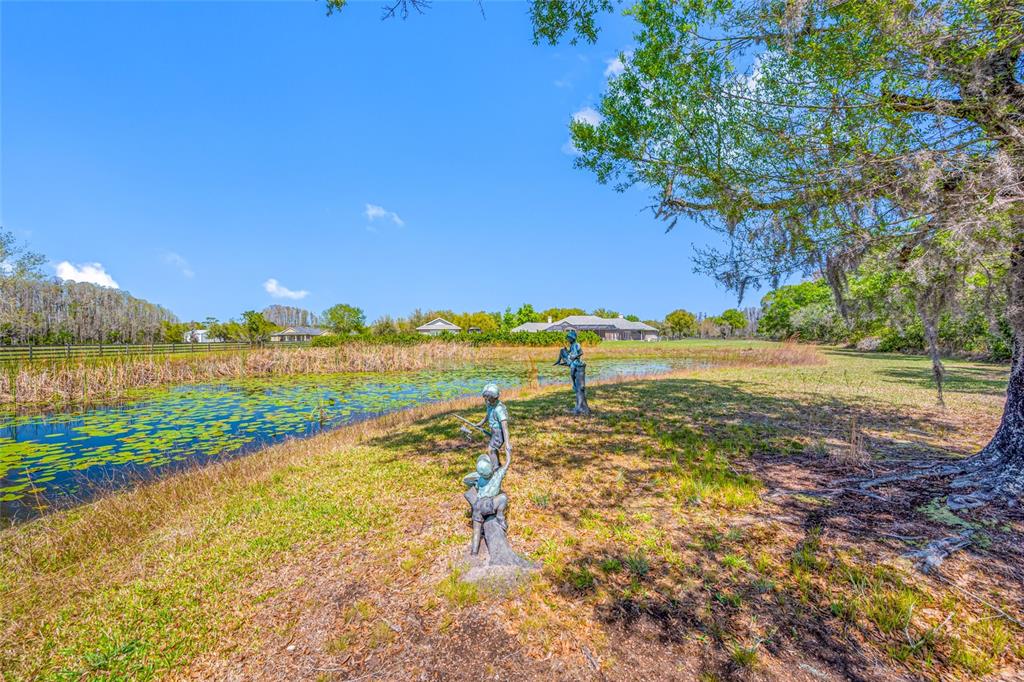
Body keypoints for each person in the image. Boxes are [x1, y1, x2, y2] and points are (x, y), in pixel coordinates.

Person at [469, 383, 511, 471]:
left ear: (495, 398)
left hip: (498, 433)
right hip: (493, 431)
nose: (487, 400)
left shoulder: (499, 409)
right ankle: (496, 464)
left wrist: (507, 443)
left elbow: (505, 427)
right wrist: (480, 423)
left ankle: (495, 468)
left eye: (489, 398)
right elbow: (488, 415)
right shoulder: (490, 405)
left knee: (491, 449)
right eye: (486, 398)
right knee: (493, 449)